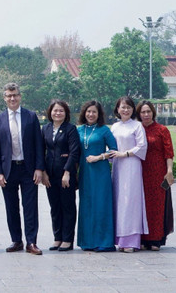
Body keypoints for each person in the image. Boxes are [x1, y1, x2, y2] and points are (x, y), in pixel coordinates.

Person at [0, 83, 44, 255]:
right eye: (9, 95)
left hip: (28, 169)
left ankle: (31, 242)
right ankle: (16, 240)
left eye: (15, 95)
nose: (12, 98)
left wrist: (39, 168)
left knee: (30, 207)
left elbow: (38, 145)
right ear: (4, 98)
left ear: (20, 96)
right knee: (11, 207)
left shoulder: (31, 116)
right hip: (8, 170)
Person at [75, 100, 118, 252]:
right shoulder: (79, 130)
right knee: (86, 206)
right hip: (85, 174)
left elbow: (114, 150)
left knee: (101, 205)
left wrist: (98, 157)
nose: (91, 114)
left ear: (99, 114)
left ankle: (104, 242)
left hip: (101, 173)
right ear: (84, 113)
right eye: (88, 111)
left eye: (94, 112)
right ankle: (87, 241)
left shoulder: (104, 130)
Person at [109, 96, 148, 253]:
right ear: (117, 109)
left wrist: (124, 154)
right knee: (119, 200)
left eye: (128, 107)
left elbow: (142, 146)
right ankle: (120, 239)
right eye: (122, 107)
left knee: (130, 201)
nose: (125, 110)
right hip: (117, 166)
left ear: (133, 110)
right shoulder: (114, 127)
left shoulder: (137, 126)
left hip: (131, 165)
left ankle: (131, 240)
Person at [41, 100, 80, 252]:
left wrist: (67, 172)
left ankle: (67, 239)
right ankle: (57, 237)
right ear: (50, 112)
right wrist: (43, 172)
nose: (58, 113)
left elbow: (74, 152)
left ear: (66, 113)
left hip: (65, 175)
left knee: (68, 206)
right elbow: (41, 151)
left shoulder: (70, 129)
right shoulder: (45, 128)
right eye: (55, 110)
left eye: (61, 111)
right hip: (50, 175)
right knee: (55, 207)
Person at [137, 100, 175, 251]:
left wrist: (169, 171)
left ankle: (156, 238)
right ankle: (141, 238)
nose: (146, 115)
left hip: (158, 172)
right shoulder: (136, 129)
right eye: (143, 112)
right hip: (140, 172)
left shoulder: (162, 130)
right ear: (138, 114)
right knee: (142, 205)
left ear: (153, 112)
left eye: (148, 111)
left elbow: (169, 152)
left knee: (157, 205)